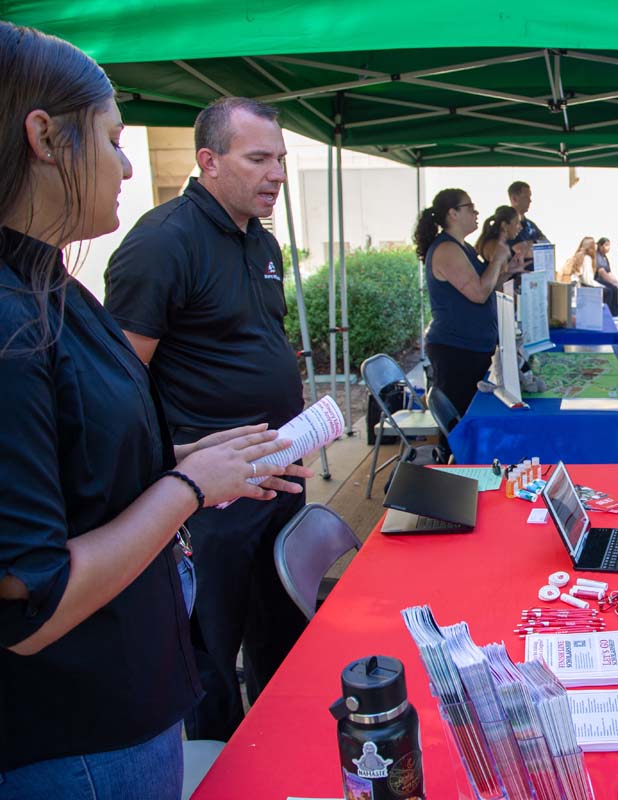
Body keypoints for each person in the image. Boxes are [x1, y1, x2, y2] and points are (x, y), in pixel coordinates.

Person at [0, 23, 307, 798]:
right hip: (84, 732)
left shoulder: (49, 285)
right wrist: (189, 486)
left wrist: (197, 469)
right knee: (221, 650)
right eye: (111, 138)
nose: (128, 164)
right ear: (43, 137)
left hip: (137, 674)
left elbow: (83, 453)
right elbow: (31, 595)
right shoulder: (30, 309)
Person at [105, 96, 312, 742]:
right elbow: (118, 387)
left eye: (280, 158)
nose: (276, 173)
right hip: (213, 503)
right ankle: (219, 769)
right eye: (258, 158)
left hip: (278, 475)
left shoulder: (262, 237)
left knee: (282, 634)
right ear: (208, 161)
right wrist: (181, 460)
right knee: (209, 660)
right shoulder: (163, 243)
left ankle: (281, 755)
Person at [415, 188, 519, 415]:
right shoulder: (446, 249)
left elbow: (487, 284)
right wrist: (498, 258)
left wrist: (508, 270)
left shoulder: (463, 247)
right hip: (457, 351)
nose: (476, 213)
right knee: (461, 419)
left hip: (474, 348)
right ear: (453, 213)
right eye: (470, 207)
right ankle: (449, 452)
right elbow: (479, 293)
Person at [475, 205, 525, 269]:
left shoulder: (496, 244)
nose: (520, 228)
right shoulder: (496, 247)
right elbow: (499, 276)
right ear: (504, 225)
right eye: (517, 223)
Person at [594, 236, 618, 316]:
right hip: (597, 280)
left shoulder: (605, 257)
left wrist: (617, 282)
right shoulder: (598, 256)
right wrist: (612, 283)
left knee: (616, 287)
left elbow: (609, 272)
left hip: (604, 279)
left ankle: (616, 311)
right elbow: (602, 272)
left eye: (609, 245)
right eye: (606, 245)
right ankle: (609, 312)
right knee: (611, 289)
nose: (608, 247)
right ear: (600, 246)